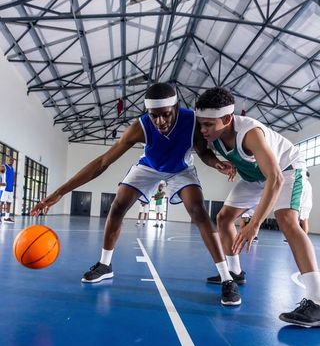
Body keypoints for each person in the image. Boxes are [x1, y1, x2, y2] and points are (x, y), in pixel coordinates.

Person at [31, 82, 240, 306]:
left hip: (181, 168)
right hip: (148, 167)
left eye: (165, 115)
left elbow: (203, 152)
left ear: (177, 108)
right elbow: (103, 162)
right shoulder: (140, 127)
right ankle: (105, 265)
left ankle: (227, 278)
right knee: (118, 204)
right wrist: (60, 192)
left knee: (199, 211)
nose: (160, 122)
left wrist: (216, 163)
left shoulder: (192, 122)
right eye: (154, 116)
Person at [195, 86, 320, 327]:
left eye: (208, 125)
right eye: (201, 124)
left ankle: (317, 302)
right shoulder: (212, 135)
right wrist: (220, 164)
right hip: (255, 178)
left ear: (227, 118)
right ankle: (235, 273)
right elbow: (202, 152)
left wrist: (255, 224)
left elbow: (275, 179)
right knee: (224, 218)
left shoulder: (250, 134)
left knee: (287, 221)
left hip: (286, 171)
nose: (203, 130)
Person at [0, 156, 15, 223]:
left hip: (10, 189)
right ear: (7, 160)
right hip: (4, 188)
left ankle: (7, 217)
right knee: (1, 203)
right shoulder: (4, 166)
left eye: (12, 160)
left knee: (9, 203)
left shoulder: (12, 169)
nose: (11, 161)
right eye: (9, 159)